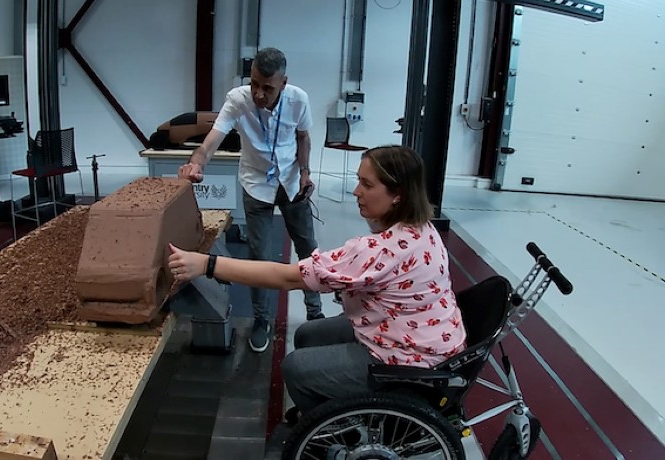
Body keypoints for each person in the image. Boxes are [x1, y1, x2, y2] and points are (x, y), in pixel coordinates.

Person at [169, 145, 468, 415]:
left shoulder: (378, 251)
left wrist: (207, 265)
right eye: (358, 180)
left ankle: (332, 428)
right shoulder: (423, 228)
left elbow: (286, 277)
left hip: (408, 362)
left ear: (397, 194)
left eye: (367, 184)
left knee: (296, 368)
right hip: (429, 341)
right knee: (308, 335)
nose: (355, 191)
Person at [178, 47, 322, 353]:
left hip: (292, 182)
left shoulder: (299, 99)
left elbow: (303, 138)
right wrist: (197, 163)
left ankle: (315, 313)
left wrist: (306, 172)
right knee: (260, 255)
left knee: (307, 248)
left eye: (267, 88)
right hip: (256, 184)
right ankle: (261, 319)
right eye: (254, 83)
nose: (258, 93)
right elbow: (211, 141)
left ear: (284, 82)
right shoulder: (237, 100)